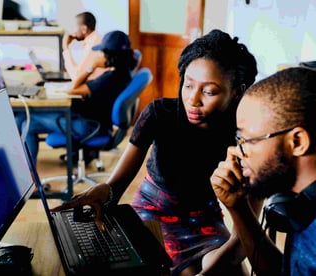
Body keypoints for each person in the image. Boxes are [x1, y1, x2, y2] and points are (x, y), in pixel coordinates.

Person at [51, 29, 258, 275]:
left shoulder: (246, 139)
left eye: (209, 91)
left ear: (237, 91)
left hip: (204, 222)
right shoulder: (160, 115)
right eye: (188, 85)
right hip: (152, 213)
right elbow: (116, 186)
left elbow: (244, 239)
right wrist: (104, 192)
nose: (193, 99)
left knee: (232, 271)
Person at [210, 67, 316, 275]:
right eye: (238, 139)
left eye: (247, 139)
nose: (236, 152)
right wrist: (238, 207)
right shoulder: (303, 203)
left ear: (297, 142)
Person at [18, 30, 137, 168]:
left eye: (101, 52)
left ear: (109, 55)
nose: (99, 55)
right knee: (22, 119)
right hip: (92, 121)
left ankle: (29, 175)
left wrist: (90, 67)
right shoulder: (123, 73)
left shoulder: (110, 78)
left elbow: (72, 89)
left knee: (26, 122)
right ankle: (25, 171)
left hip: (88, 126)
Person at [62, 11, 103, 82]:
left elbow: (76, 77)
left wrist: (65, 48)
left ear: (84, 29)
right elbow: (79, 71)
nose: (73, 33)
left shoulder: (92, 45)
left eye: (75, 27)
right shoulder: (95, 39)